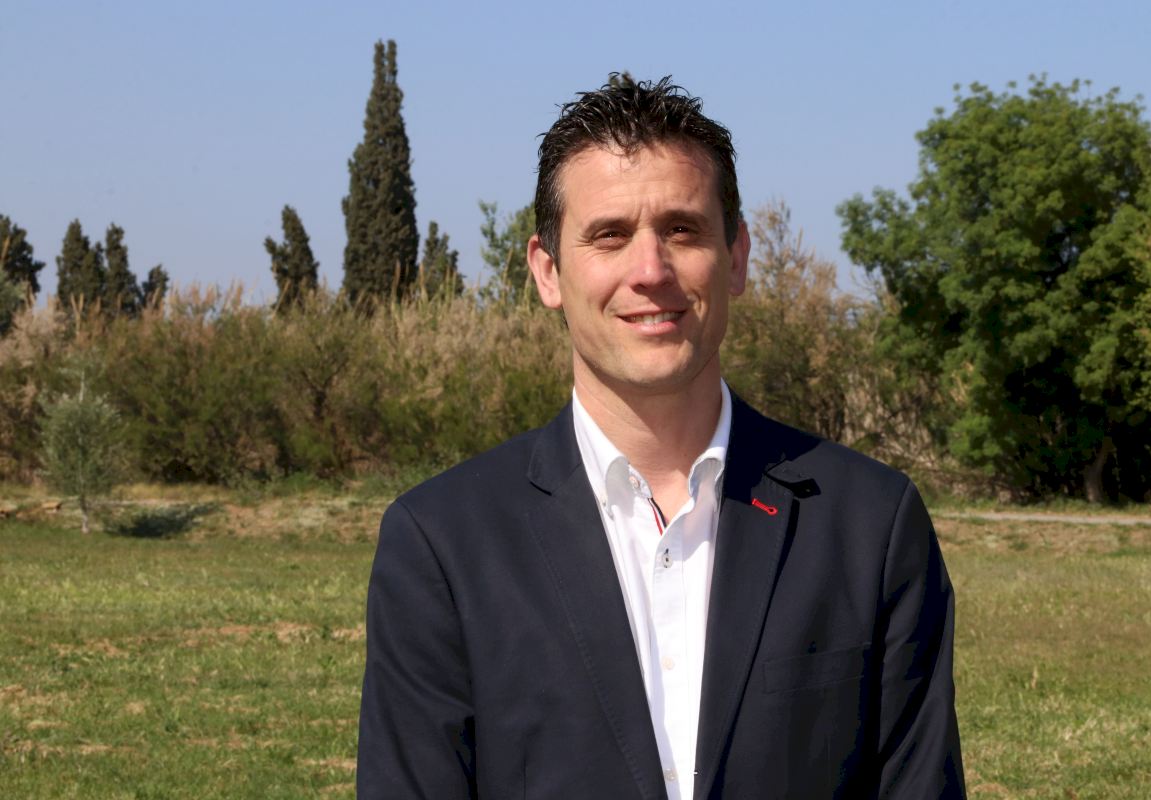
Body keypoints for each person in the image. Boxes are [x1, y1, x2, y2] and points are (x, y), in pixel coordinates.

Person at [357, 75, 966, 800]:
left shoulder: (870, 523)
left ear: (736, 256)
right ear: (548, 271)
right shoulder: (442, 543)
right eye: (609, 235)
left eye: (682, 230)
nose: (650, 271)